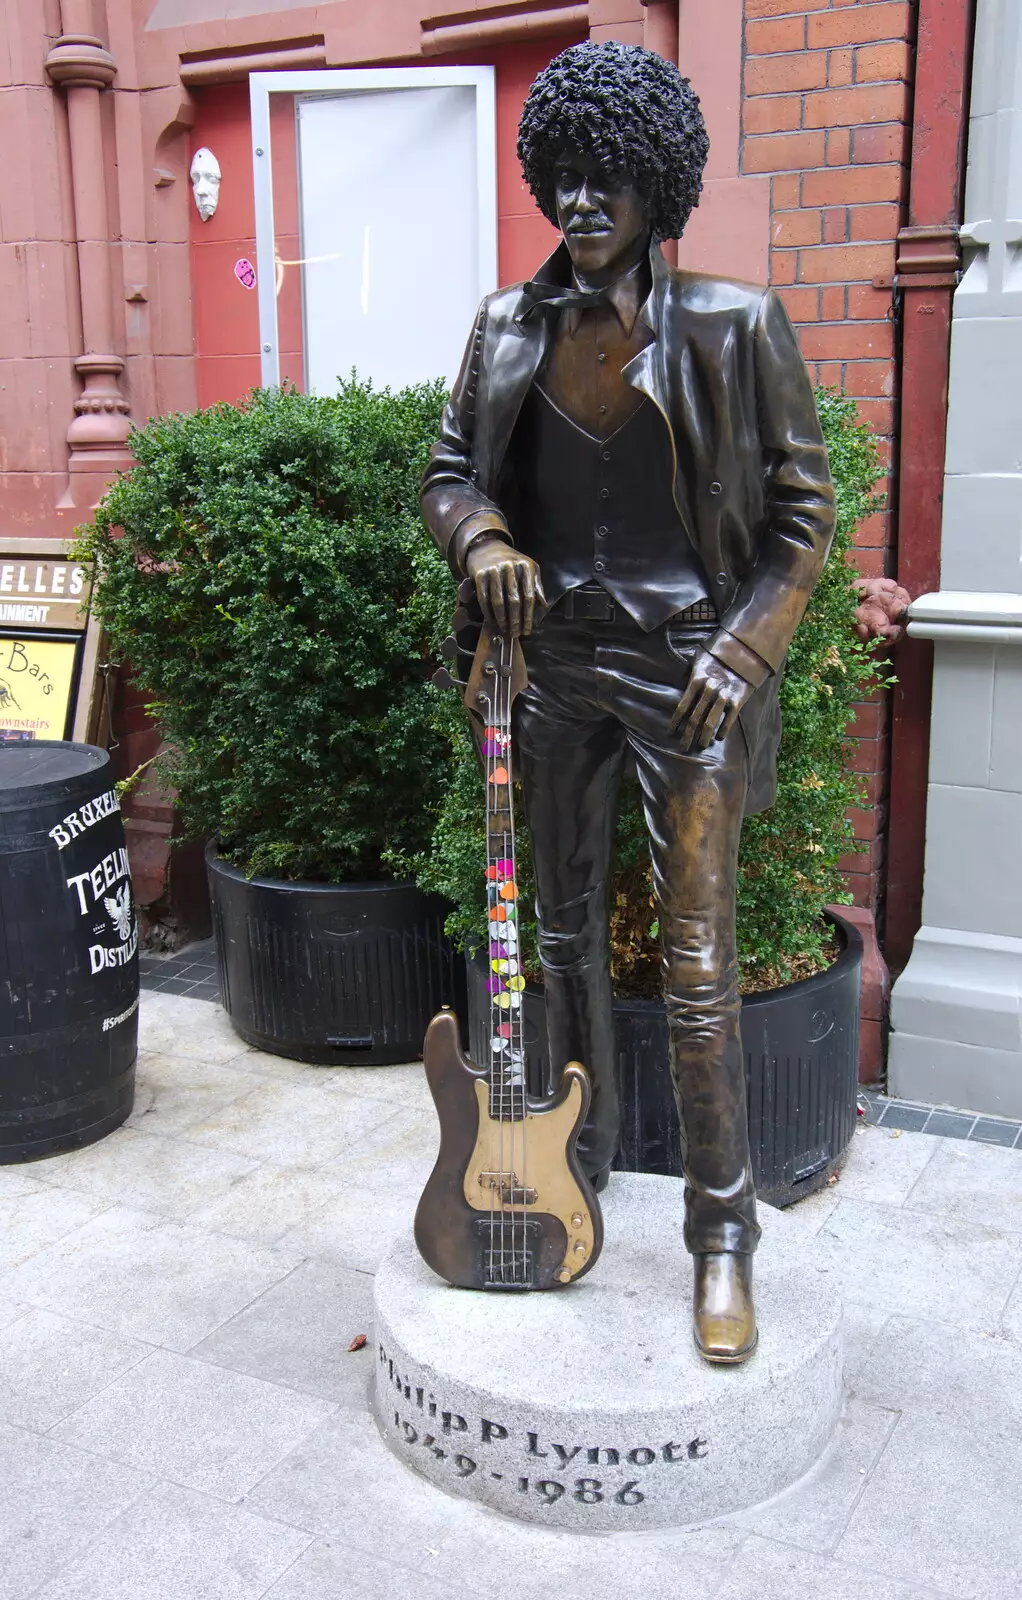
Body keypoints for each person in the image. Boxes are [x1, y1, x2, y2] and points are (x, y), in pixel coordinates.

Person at [421, 41, 835, 1363]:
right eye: (565, 177)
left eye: (610, 178)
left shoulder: (731, 324)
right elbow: (445, 471)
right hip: (550, 670)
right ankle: (568, 1167)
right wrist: (480, 539)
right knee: (551, 942)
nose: (583, 201)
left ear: (659, 185)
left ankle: (722, 1242)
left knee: (699, 967)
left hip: (688, 671)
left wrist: (748, 645)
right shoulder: (503, 326)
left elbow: (801, 518)